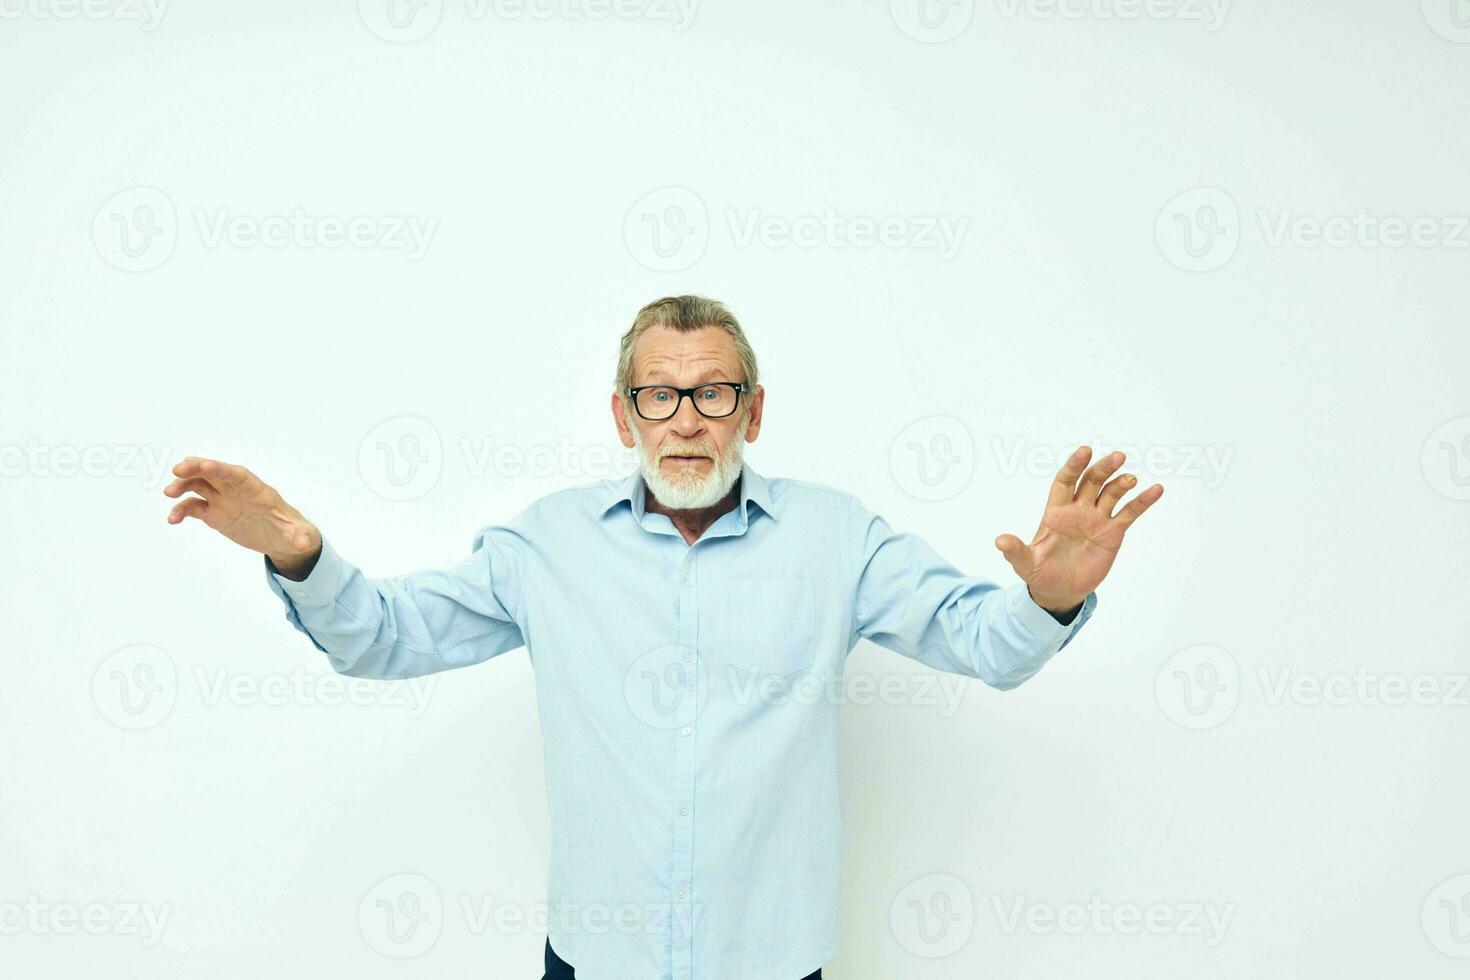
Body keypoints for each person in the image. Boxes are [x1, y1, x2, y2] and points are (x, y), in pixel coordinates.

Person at [162, 295, 1162, 979]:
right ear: (623, 411)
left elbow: (982, 641)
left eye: (714, 392)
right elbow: (383, 636)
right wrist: (300, 552)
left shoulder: (838, 537)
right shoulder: (543, 543)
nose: (686, 419)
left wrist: (1050, 600)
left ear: (753, 410)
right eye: (659, 393)